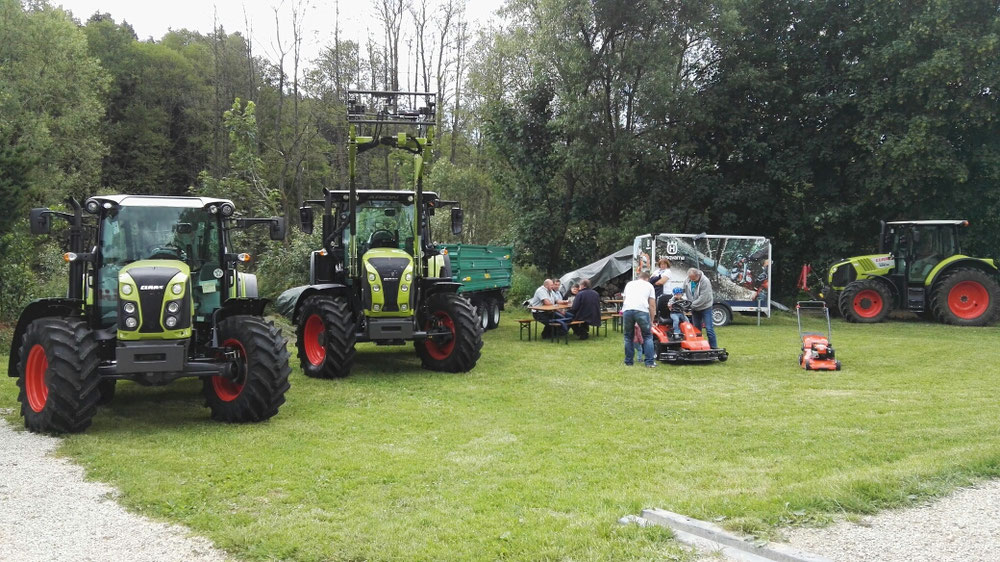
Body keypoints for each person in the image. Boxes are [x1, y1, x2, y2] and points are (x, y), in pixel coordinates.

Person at [622, 271, 657, 367]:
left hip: (627, 310)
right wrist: (652, 319)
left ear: (639, 277)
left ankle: (628, 361)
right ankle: (649, 362)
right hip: (642, 310)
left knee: (628, 337)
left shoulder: (629, 284)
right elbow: (652, 304)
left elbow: (624, 300)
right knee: (647, 336)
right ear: (647, 278)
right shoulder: (649, 286)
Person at [684, 268, 717, 349]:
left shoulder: (705, 281)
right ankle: (698, 346)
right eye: (691, 278)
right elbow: (683, 290)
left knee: (709, 328)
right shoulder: (688, 280)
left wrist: (690, 305)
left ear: (698, 275)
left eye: (694, 279)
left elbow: (703, 298)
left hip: (705, 307)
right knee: (696, 329)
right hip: (695, 308)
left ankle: (713, 347)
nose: (692, 280)